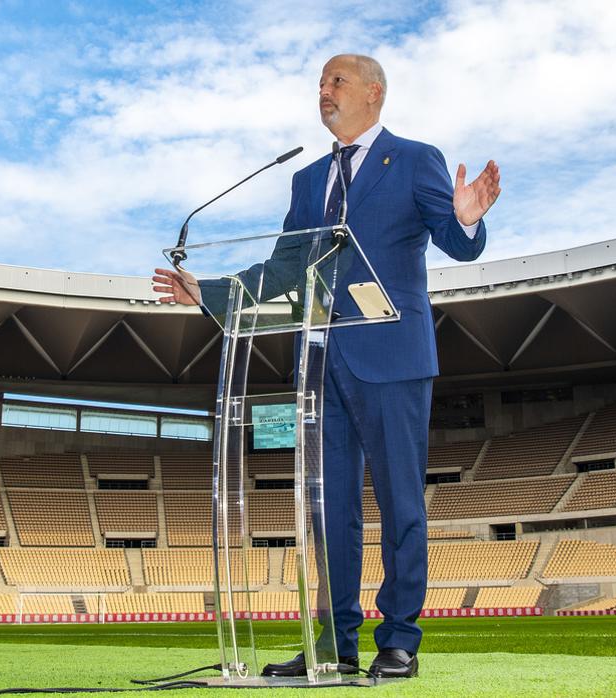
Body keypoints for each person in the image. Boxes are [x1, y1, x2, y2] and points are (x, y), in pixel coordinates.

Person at [152, 54, 500, 679]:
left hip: (392, 359)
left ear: (375, 92)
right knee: (328, 509)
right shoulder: (307, 181)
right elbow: (284, 270)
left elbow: (455, 236)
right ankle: (335, 643)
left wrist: (469, 221)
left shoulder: (415, 158)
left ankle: (399, 641)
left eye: (336, 81)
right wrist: (208, 292)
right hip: (320, 365)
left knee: (400, 504)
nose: (324, 91)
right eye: (319, 83)